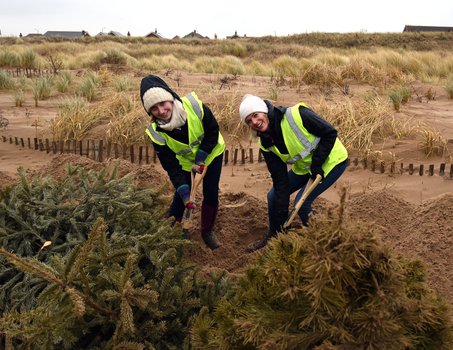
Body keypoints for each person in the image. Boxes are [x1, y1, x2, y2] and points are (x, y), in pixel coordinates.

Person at [239, 95, 348, 252]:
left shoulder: (297, 115)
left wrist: (318, 163)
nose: (254, 122)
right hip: (306, 167)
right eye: (249, 121)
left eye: (256, 115)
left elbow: (330, 132)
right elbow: (280, 179)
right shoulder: (266, 144)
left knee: (302, 203)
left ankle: (322, 245)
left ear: (264, 111)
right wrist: (282, 213)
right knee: (273, 197)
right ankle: (276, 236)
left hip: (332, 161)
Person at [140, 75, 225, 250]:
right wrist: (186, 194)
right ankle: (166, 231)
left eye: (163, 103)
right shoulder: (156, 132)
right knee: (181, 197)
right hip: (185, 163)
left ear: (170, 97)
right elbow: (171, 166)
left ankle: (207, 231)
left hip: (212, 154)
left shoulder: (195, 107)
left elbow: (212, 130)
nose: (161, 111)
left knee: (211, 192)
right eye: (154, 109)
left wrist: (201, 156)